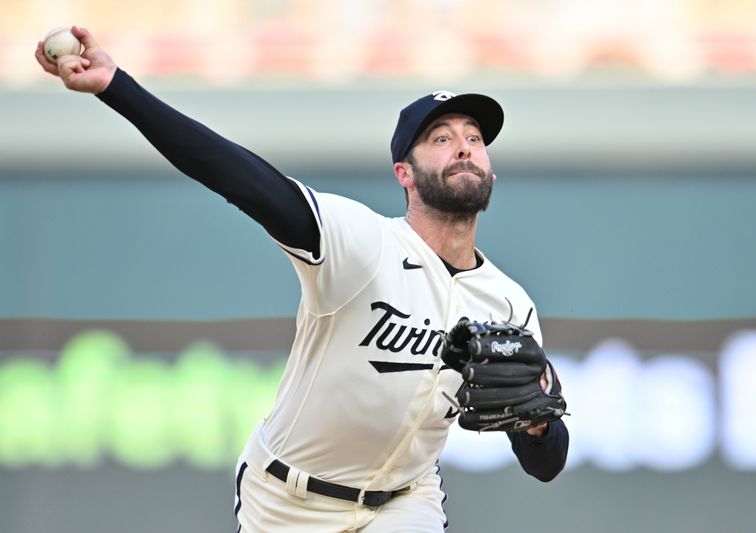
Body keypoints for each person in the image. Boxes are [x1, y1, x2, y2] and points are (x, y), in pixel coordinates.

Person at [35, 26, 569, 533]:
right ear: (403, 173)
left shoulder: (509, 302)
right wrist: (116, 87)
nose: (464, 147)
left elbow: (545, 462)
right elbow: (240, 177)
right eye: (440, 138)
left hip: (407, 502)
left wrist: (538, 425)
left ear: (490, 168)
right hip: (290, 502)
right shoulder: (361, 243)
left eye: (475, 138)